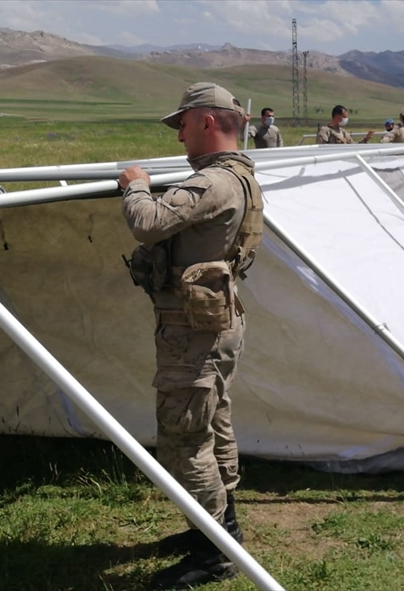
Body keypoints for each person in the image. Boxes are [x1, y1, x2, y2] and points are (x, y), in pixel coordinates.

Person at [117, 82, 264, 588]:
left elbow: (147, 221)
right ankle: (221, 531)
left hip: (192, 333)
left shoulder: (216, 182)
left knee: (185, 438)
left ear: (207, 120)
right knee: (213, 428)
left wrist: (135, 183)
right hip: (212, 325)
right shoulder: (239, 175)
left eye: (182, 123)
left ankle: (213, 553)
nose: (179, 135)